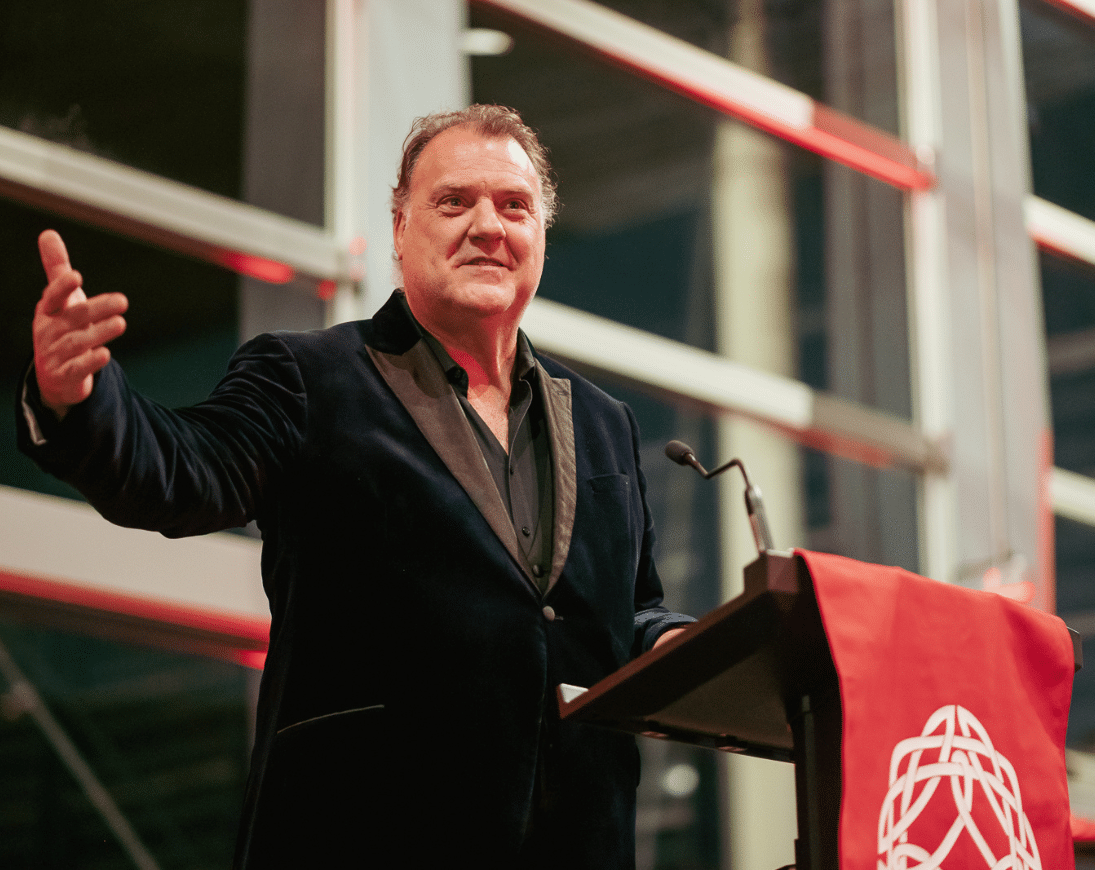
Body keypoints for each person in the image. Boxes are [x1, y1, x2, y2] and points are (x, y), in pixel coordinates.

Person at [18, 104, 692, 868]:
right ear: (400, 229)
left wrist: (683, 643)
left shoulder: (604, 422)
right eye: (454, 202)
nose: (488, 226)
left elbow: (629, 611)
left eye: (514, 206)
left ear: (540, 232)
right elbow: (181, 467)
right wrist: (77, 401)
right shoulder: (308, 378)